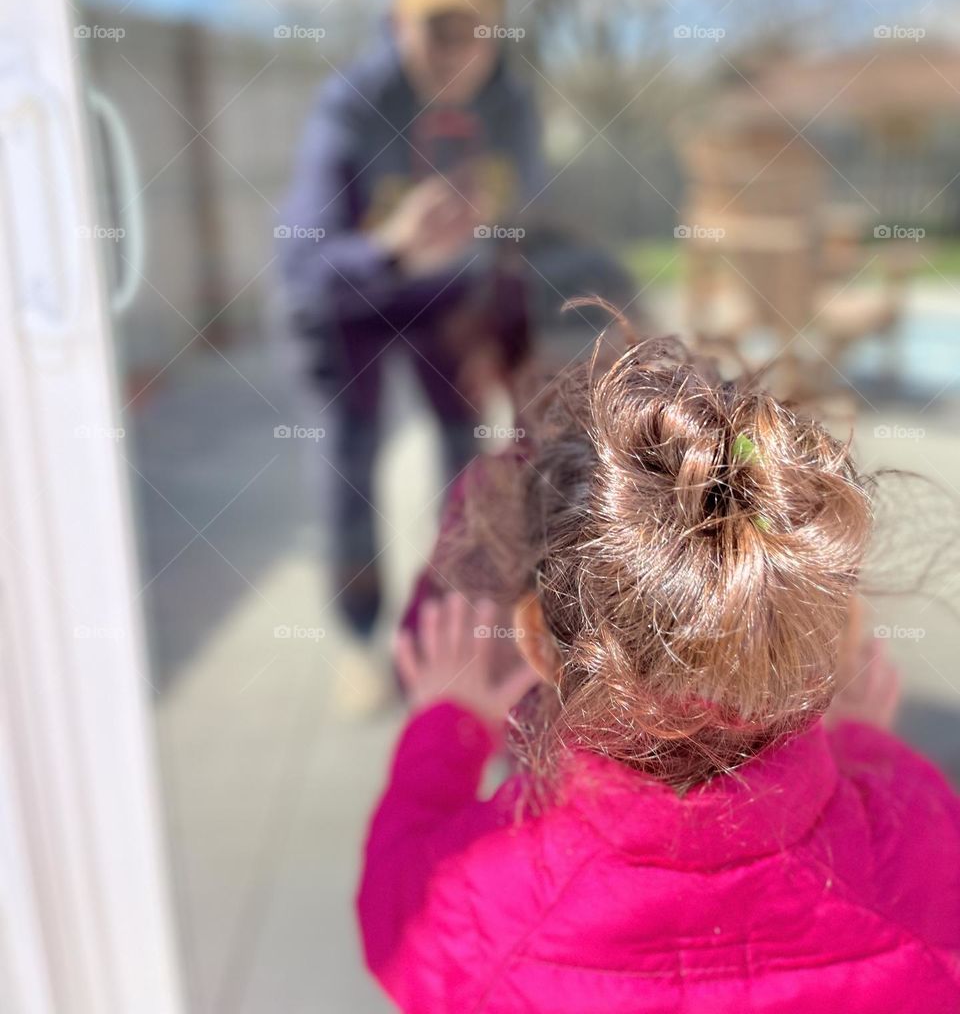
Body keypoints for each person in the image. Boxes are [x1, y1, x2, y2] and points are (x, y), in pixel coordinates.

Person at [357, 329, 960, 1012]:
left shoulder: (479, 907)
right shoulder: (929, 855)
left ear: (535, 640)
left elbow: (393, 911)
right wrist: (863, 745)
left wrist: (449, 728)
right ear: (836, 634)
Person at [277, 0, 543, 642]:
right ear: (397, 24)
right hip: (350, 305)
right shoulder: (352, 107)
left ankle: (453, 621)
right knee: (349, 457)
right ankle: (359, 632)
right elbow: (300, 267)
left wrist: (516, 335)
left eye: (475, 30)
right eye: (437, 29)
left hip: (447, 302)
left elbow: (529, 222)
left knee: (466, 451)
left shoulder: (512, 106)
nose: (458, 53)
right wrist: (391, 250)